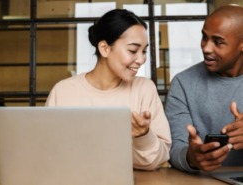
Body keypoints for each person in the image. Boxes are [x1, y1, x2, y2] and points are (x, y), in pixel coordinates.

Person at [45, 9, 171, 171]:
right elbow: (49, 154)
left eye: (144, 51)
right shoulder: (63, 92)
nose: (141, 60)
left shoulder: (145, 89)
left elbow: (158, 161)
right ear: (104, 48)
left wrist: (143, 135)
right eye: (133, 50)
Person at [165, 5, 243, 173]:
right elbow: (175, 149)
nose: (206, 48)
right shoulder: (183, 83)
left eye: (218, 41)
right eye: (204, 37)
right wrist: (191, 158)